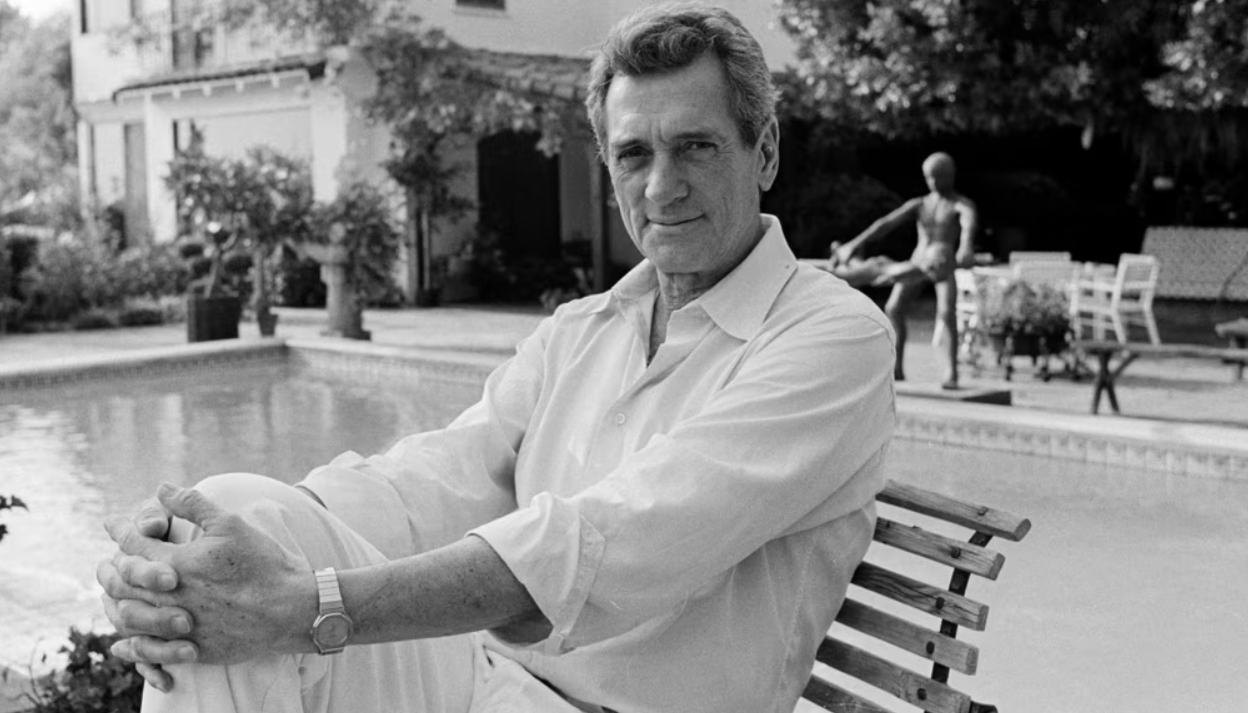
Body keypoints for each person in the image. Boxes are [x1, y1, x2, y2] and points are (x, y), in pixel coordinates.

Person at [96, 4, 896, 712]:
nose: (661, 187)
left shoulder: (832, 340)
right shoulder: (584, 329)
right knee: (231, 510)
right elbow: (438, 475)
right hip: (485, 684)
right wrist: (207, 555)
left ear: (764, 152)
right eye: (633, 155)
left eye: (696, 147)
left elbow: (614, 538)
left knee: (250, 598)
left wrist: (308, 605)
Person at [831, 152, 977, 389]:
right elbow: (885, 224)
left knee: (946, 312)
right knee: (894, 308)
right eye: (929, 177)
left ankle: (951, 371)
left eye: (938, 176)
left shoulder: (959, 204)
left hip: (941, 265)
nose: (933, 181)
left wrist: (966, 247)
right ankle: (897, 367)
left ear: (950, 175)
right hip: (916, 262)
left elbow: (968, 223)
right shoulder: (921, 204)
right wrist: (854, 244)